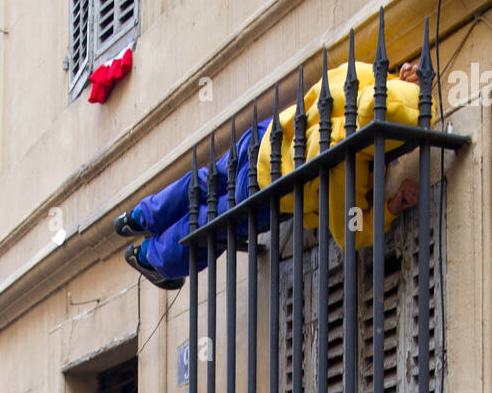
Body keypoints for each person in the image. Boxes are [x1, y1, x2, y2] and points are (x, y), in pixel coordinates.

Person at [117, 59, 423, 289]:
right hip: (268, 187)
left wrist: (398, 76)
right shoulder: (348, 163)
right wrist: (390, 206)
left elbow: (346, 81)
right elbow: (351, 229)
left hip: (265, 137)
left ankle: (139, 216)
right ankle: (149, 256)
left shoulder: (362, 77)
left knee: (204, 181)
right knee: (207, 226)